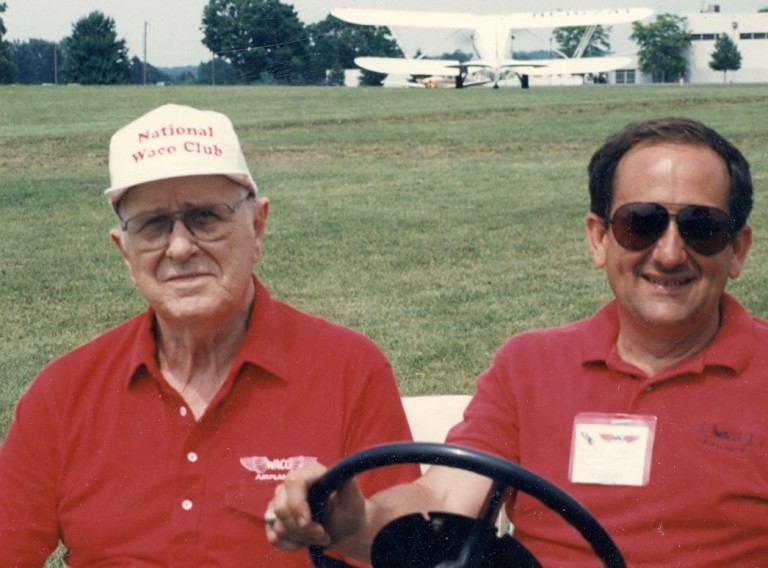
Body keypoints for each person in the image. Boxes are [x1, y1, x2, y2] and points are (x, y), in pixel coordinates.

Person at [267, 117, 768, 565]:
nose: (669, 253)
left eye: (702, 228)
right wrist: (357, 521)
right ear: (599, 238)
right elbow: (445, 494)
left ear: (737, 249)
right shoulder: (530, 365)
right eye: (641, 224)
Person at [0, 103, 418, 566]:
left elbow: (407, 551)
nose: (179, 247)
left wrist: (351, 526)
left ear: (257, 226)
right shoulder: (63, 393)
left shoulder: (349, 370)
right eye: (152, 225)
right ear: (124, 251)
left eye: (204, 217)